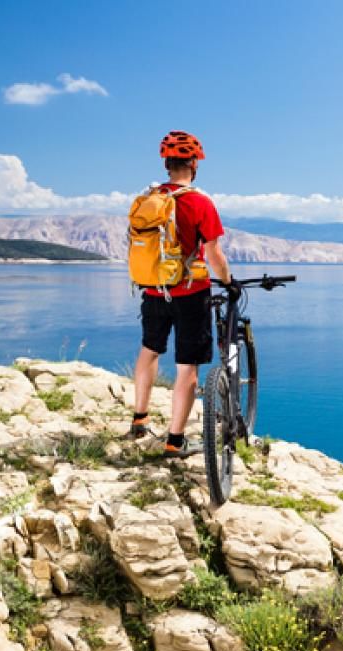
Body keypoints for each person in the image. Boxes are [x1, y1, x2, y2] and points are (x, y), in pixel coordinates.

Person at [130, 131, 234, 455]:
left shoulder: (148, 199)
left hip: (154, 290)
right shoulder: (200, 202)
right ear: (194, 164)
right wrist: (229, 282)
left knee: (149, 351)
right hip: (191, 295)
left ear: (166, 163)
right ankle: (175, 441)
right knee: (187, 367)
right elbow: (214, 254)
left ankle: (139, 419)